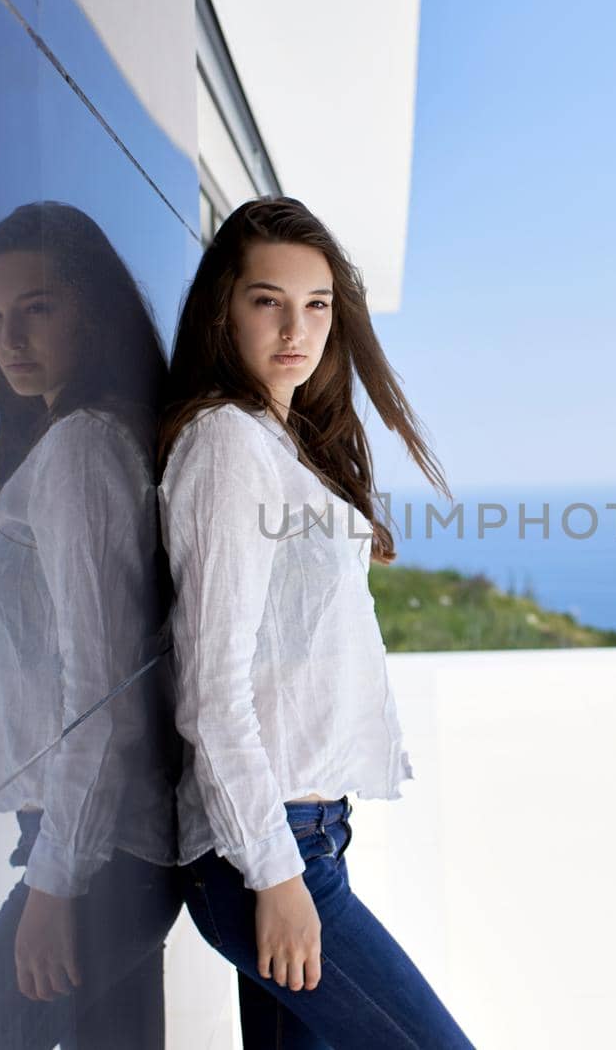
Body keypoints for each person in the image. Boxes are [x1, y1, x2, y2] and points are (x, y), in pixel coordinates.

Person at [157, 196, 475, 1048]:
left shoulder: (281, 439)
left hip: (306, 833)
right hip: (264, 849)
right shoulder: (227, 444)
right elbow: (210, 685)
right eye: (268, 300)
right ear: (224, 309)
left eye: (317, 305)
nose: (297, 327)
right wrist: (276, 872)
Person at [0, 201, 182, 1048]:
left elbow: (98, 695)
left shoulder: (80, 450)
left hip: (93, 860)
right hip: (110, 850)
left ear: (91, 308)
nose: (9, 339)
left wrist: (54, 886)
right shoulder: (86, 443)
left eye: (38, 307)